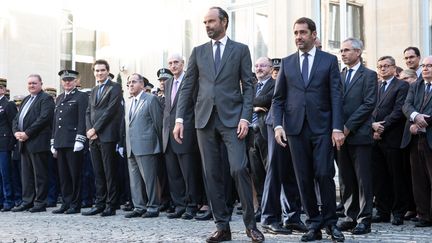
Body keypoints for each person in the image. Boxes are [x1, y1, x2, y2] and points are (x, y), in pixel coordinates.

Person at [173, 6, 264, 243]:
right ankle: (222, 226)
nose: (207, 26)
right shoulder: (198, 51)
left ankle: (250, 226)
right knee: (211, 173)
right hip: (204, 120)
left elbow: (249, 85)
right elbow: (187, 87)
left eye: (211, 21)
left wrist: (245, 117)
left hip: (233, 120)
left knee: (238, 168)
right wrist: (180, 119)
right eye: (204, 23)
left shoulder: (241, 50)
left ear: (224, 22)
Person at [272, 17, 345, 242]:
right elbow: (278, 99)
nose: (298, 37)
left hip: (323, 128)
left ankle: (331, 223)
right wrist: (278, 125)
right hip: (295, 129)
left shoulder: (329, 61)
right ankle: (314, 224)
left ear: (313, 34)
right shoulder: (287, 62)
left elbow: (336, 95)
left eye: (303, 32)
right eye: (295, 33)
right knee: (303, 177)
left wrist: (336, 128)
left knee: (324, 173)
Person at [336, 38, 376, 234]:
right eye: (341, 50)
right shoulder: (339, 75)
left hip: (359, 135)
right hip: (340, 136)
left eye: (347, 50)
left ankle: (364, 219)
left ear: (358, 52)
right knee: (346, 178)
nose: (342, 53)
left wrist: (348, 127)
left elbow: (369, 104)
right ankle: (350, 216)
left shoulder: (369, 75)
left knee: (363, 179)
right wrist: (337, 128)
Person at [370, 56, 409, 226]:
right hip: (374, 138)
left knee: (396, 177)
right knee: (379, 177)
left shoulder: (402, 85)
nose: (383, 69)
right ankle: (382, 211)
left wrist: (382, 127)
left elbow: (399, 110)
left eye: (386, 66)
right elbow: (370, 107)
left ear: (394, 68)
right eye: (380, 66)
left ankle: (398, 212)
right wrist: (373, 126)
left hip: (392, 137)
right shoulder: (375, 86)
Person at [163, 54, 202, 220]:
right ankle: (179, 205)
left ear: (183, 64)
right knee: (174, 173)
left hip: (185, 133)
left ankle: (192, 206)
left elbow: (195, 107)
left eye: (176, 62)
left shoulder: (191, 80)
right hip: (168, 134)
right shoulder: (168, 83)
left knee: (189, 172)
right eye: (170, 63)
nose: (173, 66)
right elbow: (167, 109)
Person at [83, 59, 123, 217]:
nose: (99, 73)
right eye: (96, 71)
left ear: (107, 71)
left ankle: (110, 205)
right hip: (93, 137)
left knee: (109, 172)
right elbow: (88, 111)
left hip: (107, 135)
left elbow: (110, 111)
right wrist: (88, 130)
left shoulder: (115, 87)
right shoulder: (93, 90)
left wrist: (95, 129)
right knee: (98, 172)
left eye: (102, 70)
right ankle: (99, 203)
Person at [12, 74, 55, 213]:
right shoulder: (26, 99)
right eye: (29, 83)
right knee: (27, 175)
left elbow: (43, 119)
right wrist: (16, 132)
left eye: (34, 83)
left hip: (38, 142)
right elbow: (16, 119)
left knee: (39, 175)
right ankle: (27, 201)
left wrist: (27, 133)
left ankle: (40, 202)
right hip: (23, 142)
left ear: (41, 84)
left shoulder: (46, 98)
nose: (31, 85)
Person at [124, 73, 163, 219]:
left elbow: (158, 123)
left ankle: (153, 207)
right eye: (129, 83)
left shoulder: (151, 99)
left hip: (147, 145)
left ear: (142, 84)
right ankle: (139, 206)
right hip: (131, 146)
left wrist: (158, 145)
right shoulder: (128, 102)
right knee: (134, 180)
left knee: (149, 179)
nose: (130, 85)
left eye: (134, 82)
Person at [50, 70, 88, 214]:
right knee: (63, 175)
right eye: (65, 80)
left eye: (70, 80)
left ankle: (75, 204)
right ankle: (66, 202)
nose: (67, 82)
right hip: (60, 141)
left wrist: (80, 138)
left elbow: (82, 119)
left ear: (75, 81)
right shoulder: (59, 98)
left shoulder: (81, 96)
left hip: (73, 142)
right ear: (61, 81)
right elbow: (55, 122)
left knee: (75, 174)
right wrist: (53, 141)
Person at [401, 56, 432, 227]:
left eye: (429, 66)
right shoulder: (415, 85)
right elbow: (407, 106)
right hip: (415, 139)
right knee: (418, 179)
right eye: (424, 66)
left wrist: (425, 120)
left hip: (430, 135)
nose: (425, 69)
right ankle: (424, 215)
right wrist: (415, 118)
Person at [247, 56, 274, 222]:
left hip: (266, 134)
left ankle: (272, 208)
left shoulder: (276, 84)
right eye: (257, 66)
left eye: (263, 65)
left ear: (271, 68)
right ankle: (262, 208)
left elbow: (266, 100)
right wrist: (255, 106)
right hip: (251, 135)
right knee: (257, 174)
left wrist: (252, 103)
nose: (259, 68)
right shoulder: (253, 86)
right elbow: (243, 102)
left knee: (270, 172)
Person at [0, 78, 18, 212]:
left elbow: (14, 124)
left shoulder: (8, 104)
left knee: (5, 174)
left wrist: (12, 144)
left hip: (5, 144)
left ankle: (9, 200)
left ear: (3, 90)